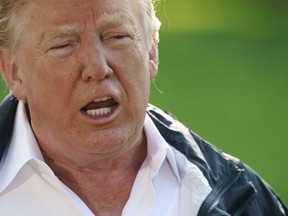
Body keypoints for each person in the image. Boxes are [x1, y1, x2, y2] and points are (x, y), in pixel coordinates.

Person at [0, 0, 287, 215]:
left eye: (117, 36)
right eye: (63, 45)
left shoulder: (242, 197)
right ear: (13, 71)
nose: (97, 68)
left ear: (151, 50)